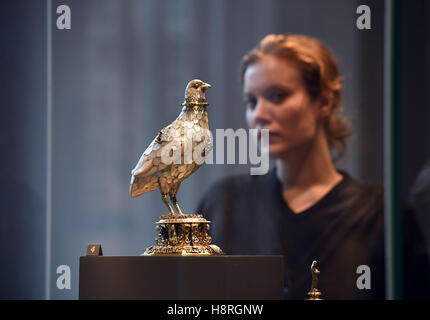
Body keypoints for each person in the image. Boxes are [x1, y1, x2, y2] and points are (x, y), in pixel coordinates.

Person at [196, 34, 429, 299]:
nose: (259, 114)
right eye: (252, 102)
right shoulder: (225, 203)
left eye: (277, 95)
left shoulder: (382, 216)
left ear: (324, 101)